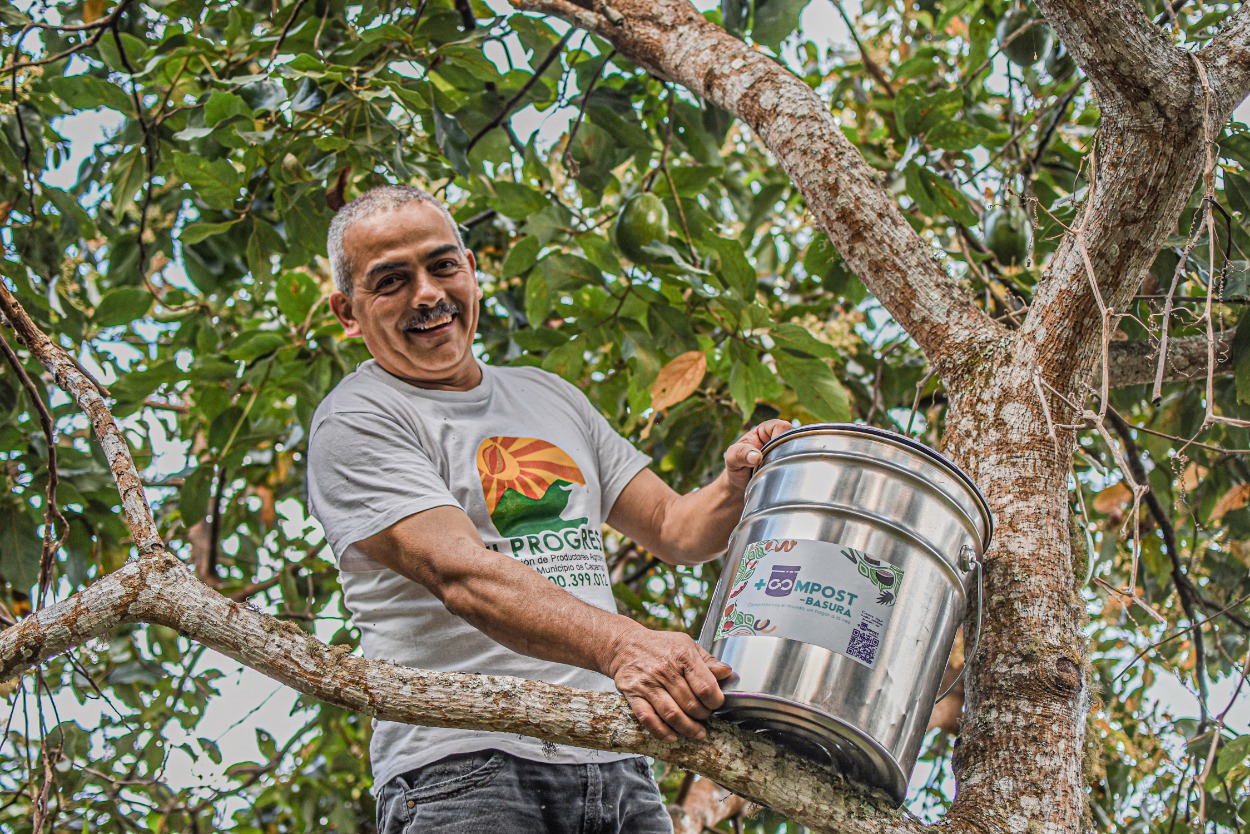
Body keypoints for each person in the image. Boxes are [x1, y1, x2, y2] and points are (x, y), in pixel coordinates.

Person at [306, 184, 790, 833]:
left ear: (470, 270)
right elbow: (462, 574)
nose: (427, 294)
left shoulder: (548, 395)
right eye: (391, 281)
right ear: (347, 311)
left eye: (442, 266)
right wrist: (626, 647)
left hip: (618, 760)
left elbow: (675, 529)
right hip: (464, 769)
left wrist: (738, 481)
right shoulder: (357, 419)